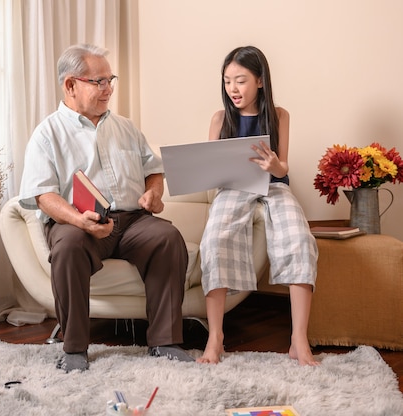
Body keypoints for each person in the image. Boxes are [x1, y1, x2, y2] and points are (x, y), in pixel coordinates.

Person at [18, 44, 194, 372]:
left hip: (131, 221)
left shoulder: (125, 127)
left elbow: (153, 170)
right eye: (98, 81)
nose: (108, 89)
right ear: (70, 86)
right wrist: (79, 221)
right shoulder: (47, 134)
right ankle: (73, 349)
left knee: (167, 237)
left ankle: (165, 341)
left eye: (109, 79)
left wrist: (153, 194)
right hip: (75, 221)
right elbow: (43, 196)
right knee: (68, 245)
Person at [196, 46, 319, 366]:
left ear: (260, 81)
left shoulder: (279, 115)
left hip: (274, 186)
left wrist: (274, 164)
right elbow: (211, 172)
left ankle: (298, 341)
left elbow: (284, 169)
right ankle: (215, 338)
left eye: (241, 81)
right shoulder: (219, 118)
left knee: (300, 240)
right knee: (215, 240)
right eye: (227, 82)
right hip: (233, 189)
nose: (233, 89)